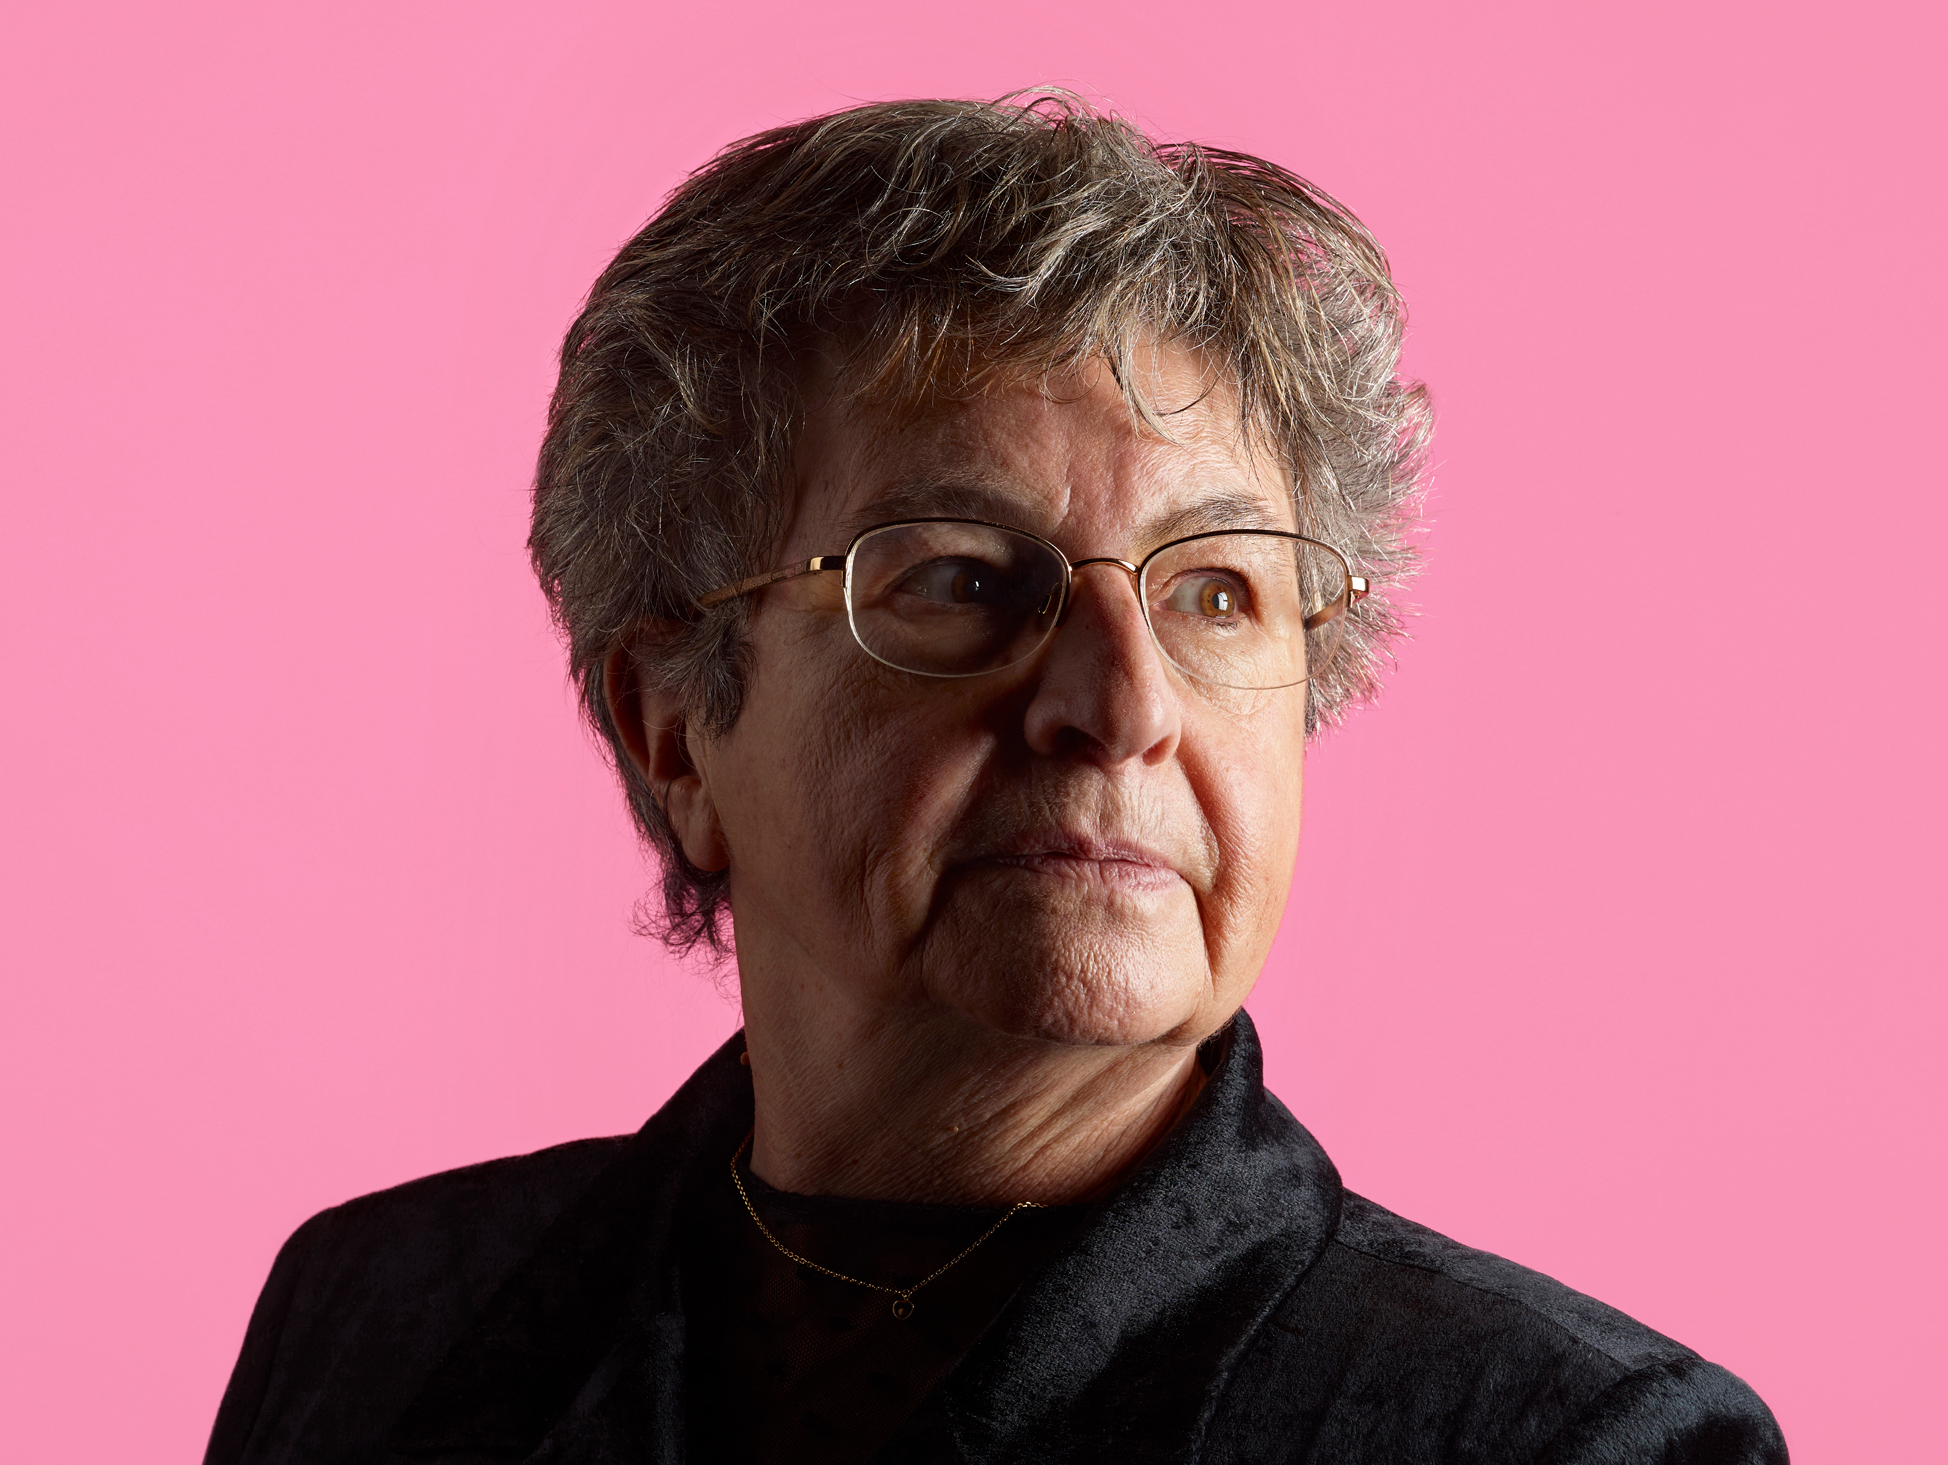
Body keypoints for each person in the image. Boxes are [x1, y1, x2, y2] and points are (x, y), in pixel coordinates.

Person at [204, 93, 1787, 1464]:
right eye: (961, 580)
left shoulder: (1568, 1442)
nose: (1123, 706)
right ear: (674, 725)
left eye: (1218, 590)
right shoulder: (379, 1326)